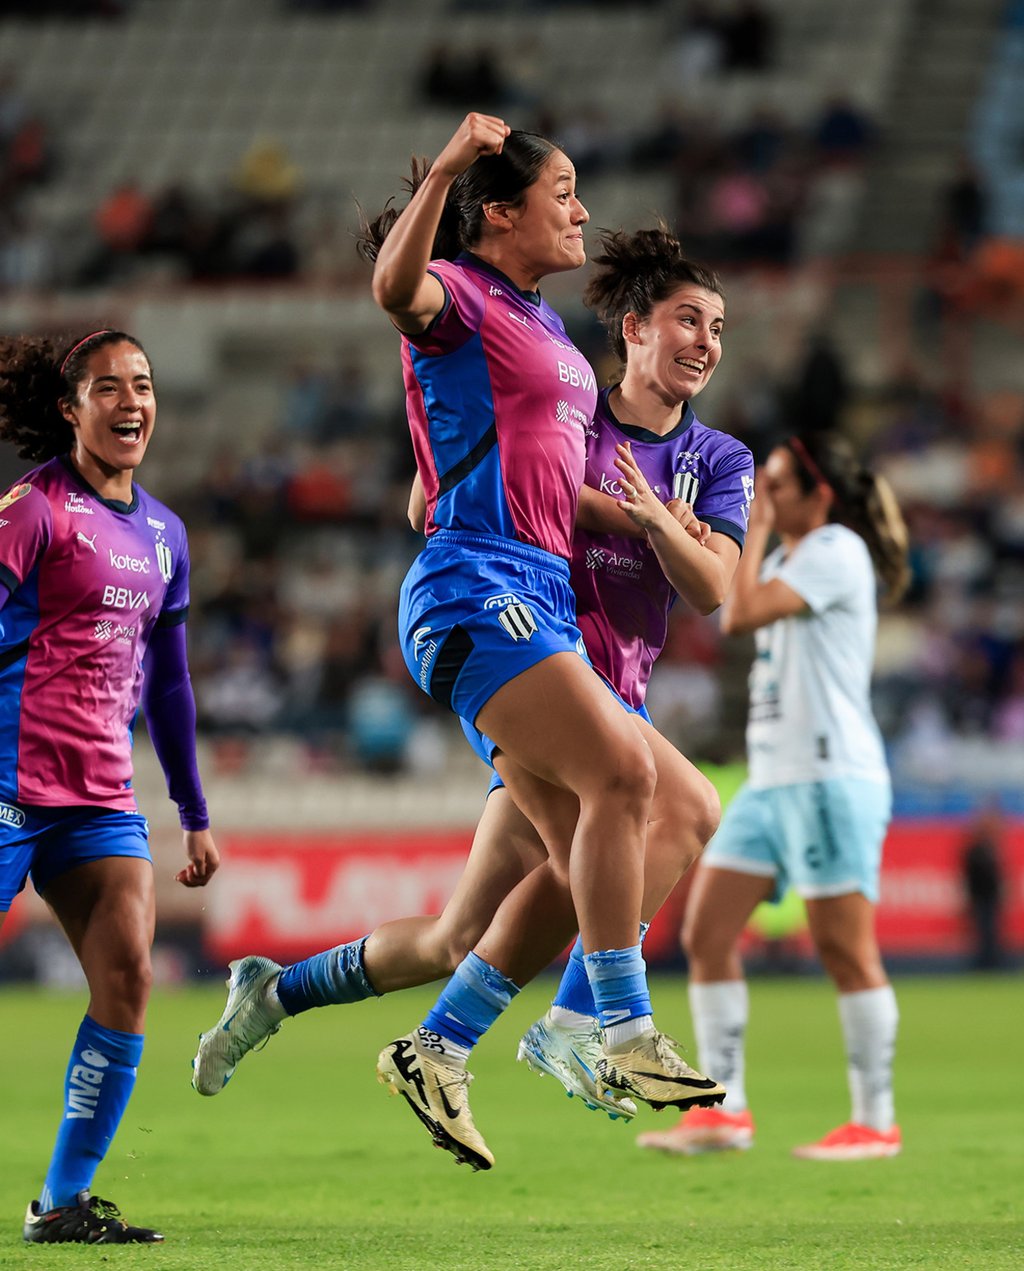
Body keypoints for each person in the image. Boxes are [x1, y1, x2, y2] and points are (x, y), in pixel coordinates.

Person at [191, 215, 754, 1168]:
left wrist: (661, 523)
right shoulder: (562, 409)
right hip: (532, 672)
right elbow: (436, 493)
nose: (707, 343)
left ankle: (277, 993)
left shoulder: (720, 460)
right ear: (632, 327)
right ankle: (566, 1024)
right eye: (689, 321)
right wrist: (651, 520)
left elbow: (712, 586)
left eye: (719, 328)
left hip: (605, 703)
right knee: (677, 809)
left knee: (465, 931)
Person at [636, 431, 911, 1161]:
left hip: (828, 773)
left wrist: (746, 532)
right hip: (773, 775)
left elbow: (740, 611)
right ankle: (724, 1109)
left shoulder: (832, 551)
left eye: (779, 486)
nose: (766, 497)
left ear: (819, 496)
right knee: (707, 932)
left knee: (843, 948)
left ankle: (876, 1119)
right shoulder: (796, 555)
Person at [0, 329, 218, 1242]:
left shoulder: (164, 535)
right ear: (69, 407)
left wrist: (194, 814)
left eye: (143, 385)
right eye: (107, 388)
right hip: (7, 780)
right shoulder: (31, 510)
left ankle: (62, 1201)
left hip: (97, 797)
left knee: (127, 974)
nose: (131, 402)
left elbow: (167, 683)